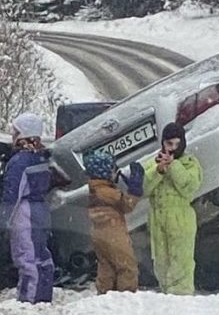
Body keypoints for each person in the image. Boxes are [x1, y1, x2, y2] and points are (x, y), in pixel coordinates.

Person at [0, 112, 54, 304]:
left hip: (25, 213)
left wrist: (3, 218)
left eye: (15, 132)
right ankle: (44, 295)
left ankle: (29, 300)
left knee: (26, 257)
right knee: (41, 255)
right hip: (41, 209)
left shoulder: (20, 161)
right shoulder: (42, 157)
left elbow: (13, 193)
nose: (13, 136)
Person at [144, 122, 203, 295]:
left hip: (181, 218)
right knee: (161, 263)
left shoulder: (190, 163)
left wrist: (173, 166)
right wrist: (158, 171)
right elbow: (143, 189)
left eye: (177, 144)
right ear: (163, 143)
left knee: (181, 262)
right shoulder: (152, 163)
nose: (173, 149)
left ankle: (181, 300)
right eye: (169, 144)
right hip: (158, 219)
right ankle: (166, 300)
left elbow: (190, 186)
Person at [83, 151, 144, 294]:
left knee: (107, 267)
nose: (117, 173)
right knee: (126, 266)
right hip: (113, 231)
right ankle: (125, 296)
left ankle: (104, 293)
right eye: (114, 169)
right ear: (106, 173)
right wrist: (135, 190)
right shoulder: (107, 192)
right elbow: (127, 204)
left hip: (99, 233)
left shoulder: (96, 189)